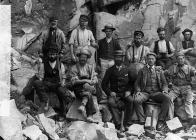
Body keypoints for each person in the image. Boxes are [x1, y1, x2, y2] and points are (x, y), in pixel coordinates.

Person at [134, 52, 173, 131]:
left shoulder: (159, 70)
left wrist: (164, 90)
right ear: (146, 60)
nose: (151, 60)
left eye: (152, 59)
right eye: (149, 59)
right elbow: (137, 83)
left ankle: (161, 121)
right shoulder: (142, 71)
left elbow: (165, 83)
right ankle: (142, 121)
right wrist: (138, 91)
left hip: (156, 93)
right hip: (145, 92)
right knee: (136, 100)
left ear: (155, 60)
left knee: (167, 98)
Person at [33, 45, 71, 120]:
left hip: (56, 84)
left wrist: (63, 83)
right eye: (50, 54)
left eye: (53, 54)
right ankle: (45, 100)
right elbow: (41, 76)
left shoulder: (60, 65)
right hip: (46, 84)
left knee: (62, 92)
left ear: (56, 55)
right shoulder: (44, 64)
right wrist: (40, 84)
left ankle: (63, 113)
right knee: (37, 82)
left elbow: (63, 76)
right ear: (48, 55)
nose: (52, 56)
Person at [102, 50, 133, 131]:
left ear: (123, 58)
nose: (118, 59)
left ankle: (126, 123)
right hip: (114, 94)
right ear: (114, 58)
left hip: (124, 93)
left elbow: (132, 82)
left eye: (120, 57)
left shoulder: (127, 69)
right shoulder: (110, 70)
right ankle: (119, 123)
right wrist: (109, 92)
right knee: (111, 102)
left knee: (130, 100)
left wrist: (129, 91)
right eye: (116, 57)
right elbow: (103, 84)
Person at [165, 52, 196, 125]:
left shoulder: (188, 67)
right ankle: (171, 118)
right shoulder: (173, 67)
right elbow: (165, 73)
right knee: (169, 98)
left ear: (184, 59)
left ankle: (190, 118)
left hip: (186, 87)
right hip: (175, 88)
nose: (180, 60)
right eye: (178, 59)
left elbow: (194, 72)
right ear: (176, 60)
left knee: (189, 101)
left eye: (182, 59)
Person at [70, 48, 98, 121]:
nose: (83, 59)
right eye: (82, 57)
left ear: (87, 59)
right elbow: (73, 82)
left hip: (88, 88)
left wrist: (94, 81)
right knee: (88, 93)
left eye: (85, 58)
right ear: (78, 57)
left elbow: (95, 77)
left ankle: (83, 106)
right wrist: (86, 80)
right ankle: (90, 115)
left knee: (89, 90)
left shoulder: (90, 67)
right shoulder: (74, 68)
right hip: (79, 90)